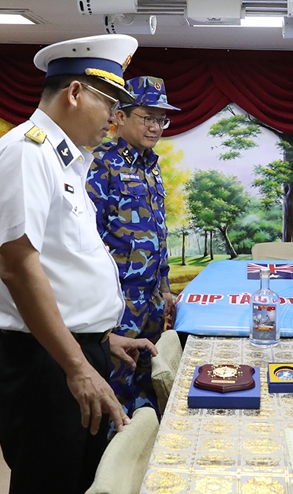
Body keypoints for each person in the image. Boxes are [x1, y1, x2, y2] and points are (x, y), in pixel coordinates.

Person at [0, 35, 158, 494]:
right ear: (75, 93)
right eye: (109, 104)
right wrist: (77, 365)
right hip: (48, 363)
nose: (114, 119)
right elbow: (18, 267)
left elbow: (62, 265)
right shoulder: (27, 153)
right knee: (50, 480)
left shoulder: (65, 162)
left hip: (68, 350)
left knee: (80, 478)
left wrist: (99, 336)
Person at [86, 76, 179, 418]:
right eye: (148, 117)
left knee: (147, 381)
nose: (155, 127)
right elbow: (89, 238)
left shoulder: (152, 166)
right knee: (116, 383)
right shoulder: (101, 163)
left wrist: (165, 287)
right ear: (120, 116)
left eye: (161, 120)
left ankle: (144, 441)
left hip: (151, 299)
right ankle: (116, 446)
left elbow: (159, 233)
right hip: (118, 300)